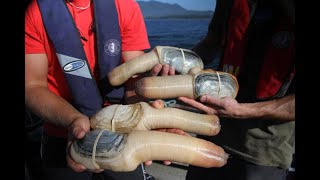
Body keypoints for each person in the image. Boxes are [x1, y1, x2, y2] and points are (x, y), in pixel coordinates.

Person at [25, 0, 175, 179]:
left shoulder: (125, 6)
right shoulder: (35, 12)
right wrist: (73, 120)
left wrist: (142, 118)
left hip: (121, 131)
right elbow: (32, 86)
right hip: (63, 133)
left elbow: (133, 80)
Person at [177, 0, 295, 179]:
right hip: (212, 131)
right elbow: (210, 44)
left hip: (263, 150)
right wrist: (178, 65)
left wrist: (240, 111)